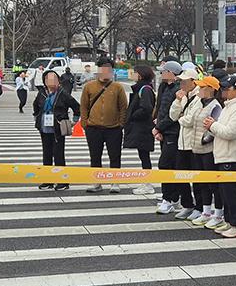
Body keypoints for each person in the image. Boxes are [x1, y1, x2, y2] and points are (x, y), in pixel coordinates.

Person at [206, 76, 236, 238]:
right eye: (223, 88)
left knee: (233, 194)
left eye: (228, 88)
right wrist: (213, 126)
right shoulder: (228, 106)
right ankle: (230, 221)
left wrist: (213, 125)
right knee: (226, 193)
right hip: (224, 156)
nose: (224, 91)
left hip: (233, 157)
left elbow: (231, 132)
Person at [79, 59, 129, 194]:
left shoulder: (117, 87)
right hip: (93, 128)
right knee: (95, 156)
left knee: (115, 156)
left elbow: (123, 107)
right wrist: (85, 123)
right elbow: (83, 106)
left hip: (114, 128)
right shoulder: (89, 86)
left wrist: (121, 124)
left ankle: (115, 182)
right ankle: (97, 182)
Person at [31, 70, 80, 191]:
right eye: (48, 79)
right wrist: (37, 116)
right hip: (44, 128)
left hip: (57, 128)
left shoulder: (62, 93)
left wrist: (74, 120)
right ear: (45, 81)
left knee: (58, 155)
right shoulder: (42, 93)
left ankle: (63, 181)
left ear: (58, 81)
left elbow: (76, 106)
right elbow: (36, 105)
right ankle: (48, 180)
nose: (51, 81)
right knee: (46, 154)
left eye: (54, 79)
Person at [187, 76, 224, 227]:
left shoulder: (216, 106)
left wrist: (204, 140)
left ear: (211, 89)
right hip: (197, 149)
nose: (199, 89)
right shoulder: (200, 103)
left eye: (202, 87)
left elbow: (213, 128)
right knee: (202, 183)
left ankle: (218, 214)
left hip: (209, 150)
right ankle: (206, 212)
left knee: (213, 184)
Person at [169, 69, 203, 221]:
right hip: (182, 143)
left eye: (184, 81)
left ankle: (199, 207)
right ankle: (187, 204)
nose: (181, 84)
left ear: (193, 82)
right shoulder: (183, 95)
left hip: (193, 143)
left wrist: (181, 117)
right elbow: (172, 115)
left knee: (196, 178)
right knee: (180, 175)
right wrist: (178, 101)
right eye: (180, 81)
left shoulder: (199, 96)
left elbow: (190, 120)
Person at [152, 62, 185, 214]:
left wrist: (158, 127)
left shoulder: (178, 90)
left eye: (163, 72)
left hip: (173, 132)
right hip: (166, 132)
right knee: (170, 165)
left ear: (171, 73)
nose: (161, 74)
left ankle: (168, 199)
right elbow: (162, 110)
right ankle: (173, 198)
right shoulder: (166, 87)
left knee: (165, 165)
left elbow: (173, 116)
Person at [122, 65, 157, 195]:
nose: (133, 74)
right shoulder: (144, 88)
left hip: (143, 128)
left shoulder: (145, 89)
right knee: (143, 155)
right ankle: (146, 182)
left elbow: (146, 108)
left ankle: (148, 184)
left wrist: (132, 116)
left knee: (144, 156)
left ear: (140, 75)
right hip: (142, 128)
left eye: (135, 72)